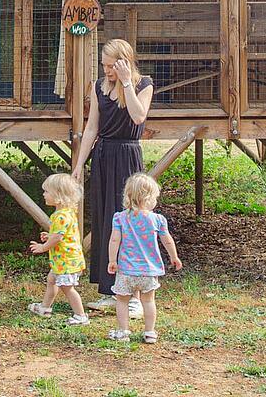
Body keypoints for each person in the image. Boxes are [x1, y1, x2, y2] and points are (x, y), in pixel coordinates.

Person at [71, 38, 154, 318]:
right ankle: (110, 290)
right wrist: (79, 164)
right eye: (104, 66)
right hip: (103, 155)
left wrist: (126, 82)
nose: (106, 71)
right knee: (106, 219)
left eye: (111, 66)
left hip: (128, 155)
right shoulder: (98, 87)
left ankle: (134, 296)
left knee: (130, 220)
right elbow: (92, 127)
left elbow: (138, 116)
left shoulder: (143, 85)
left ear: (124, 63)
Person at [106, 173, 182, 344]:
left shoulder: (120, 217)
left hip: (126, 270)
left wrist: (112, 260)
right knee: (148, 300)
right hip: (148, 271)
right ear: (149, 198)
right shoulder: (157, 220)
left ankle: (123, 331)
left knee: (122, 301)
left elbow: (114, 239)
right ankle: (149, 332)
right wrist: (174, 256)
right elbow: (167, 240)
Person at [27, 173, 90, 326]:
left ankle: (81, 315)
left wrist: (43, 246)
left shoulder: (60, 216)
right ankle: (45, 308)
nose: (43, 194)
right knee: (51, 281)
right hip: (64, 260)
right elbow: (62, 234)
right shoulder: (67, 213)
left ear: (59, 196)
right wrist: (50, 235)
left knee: (67, 288)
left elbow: (58, 238)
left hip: (66, 261)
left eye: (47, 191)